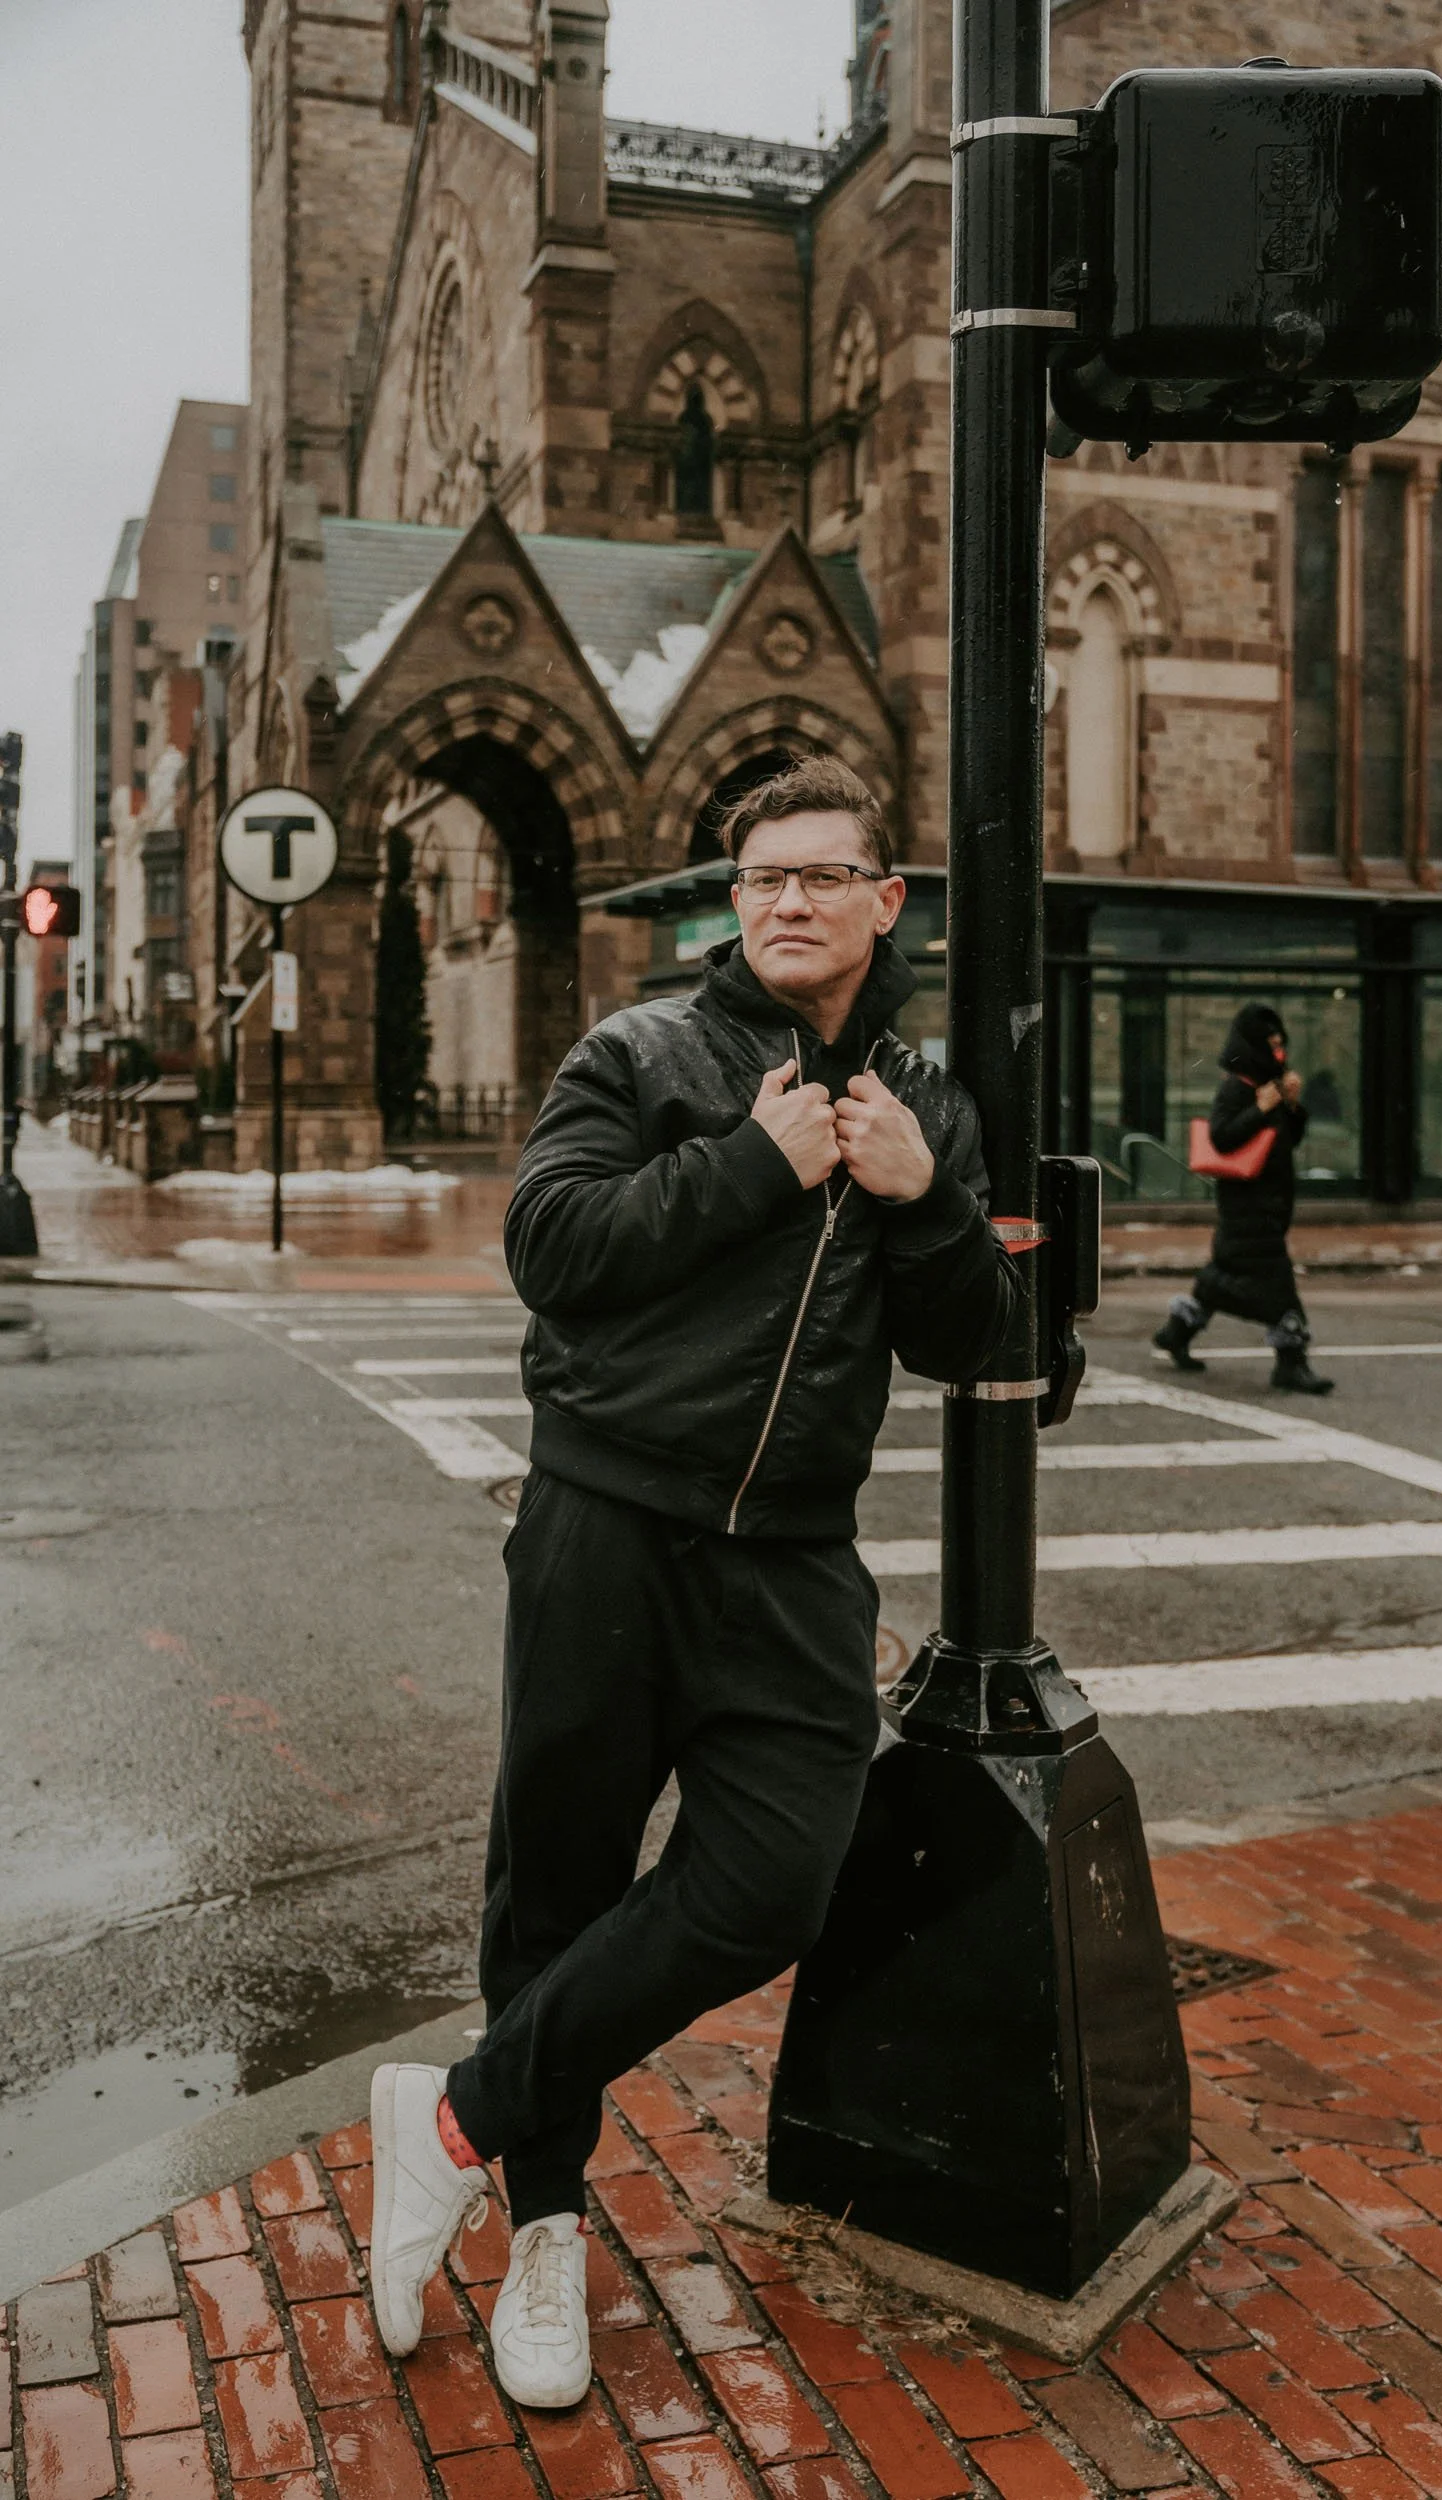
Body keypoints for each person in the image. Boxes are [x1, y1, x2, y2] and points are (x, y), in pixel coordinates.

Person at [368, 755, 1016, 2407]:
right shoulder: (642, 1050)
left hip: (793, 1560)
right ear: (735, 906)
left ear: (886, 899)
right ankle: (541, 2232)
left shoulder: (925, 1109)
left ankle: (448, 2114)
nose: (788, 900)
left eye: (823, 875)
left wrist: (920, 1201)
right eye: (761, 879)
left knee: (772, 1886)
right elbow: (552, 1249)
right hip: (604, 1531)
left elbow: (976, 1346)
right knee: (560, 1894)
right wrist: (753, 1162)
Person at [1152, 1001, 1333, 1394]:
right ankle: (1291, 1362)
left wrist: (1291, 1106)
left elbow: (1288, 1141)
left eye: (1281, 1042)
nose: (1279, 1050)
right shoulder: (1238, 1087)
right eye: (1271, 1042)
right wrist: (1261, 1107)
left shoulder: (1268, 1086)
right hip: (1248, 1207)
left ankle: (1177, 1331)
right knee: (1278, 1285)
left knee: (1225, 1277)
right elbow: (1223, 1136)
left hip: (1267, 1205)